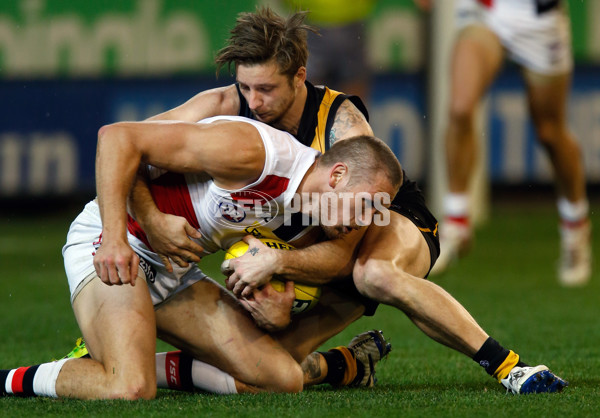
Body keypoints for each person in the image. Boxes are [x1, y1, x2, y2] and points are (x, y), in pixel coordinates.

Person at [125, 7, 567, 394]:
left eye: (267, 90)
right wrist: (151, 217)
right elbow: (127, 149)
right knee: (260, 374)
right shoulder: (222, 105)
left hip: (380, 223)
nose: (254, 103)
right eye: (247, 88)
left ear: (300, 75)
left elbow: (341, 253)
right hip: (300, 248)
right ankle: (343, 367)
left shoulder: (344, 127)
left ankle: (510, 368)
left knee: (373, 274)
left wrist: (276, 268)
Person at [0, 115, 401, 400]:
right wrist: (124, 234)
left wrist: (273, 311)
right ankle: (8, 380)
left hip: (174, 273)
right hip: (115, 246)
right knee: (129, 390)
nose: (364, 221)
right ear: (337, 176)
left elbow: (262, 253)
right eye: (365, 205)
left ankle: (120, 352)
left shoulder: (302, 204)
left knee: (280, 378)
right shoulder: (256, 154)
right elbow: (117, 138)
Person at [425, 0, 592, 286]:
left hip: (537, 20)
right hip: (485, 11)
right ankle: (457, 221)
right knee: (460, 108)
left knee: (550, 133)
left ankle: (575, 227)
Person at [281, 0, 375, 100]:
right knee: (353, 80)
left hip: (312, 18)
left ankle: (312, 113)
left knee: (311, 83)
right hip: (350, 17)